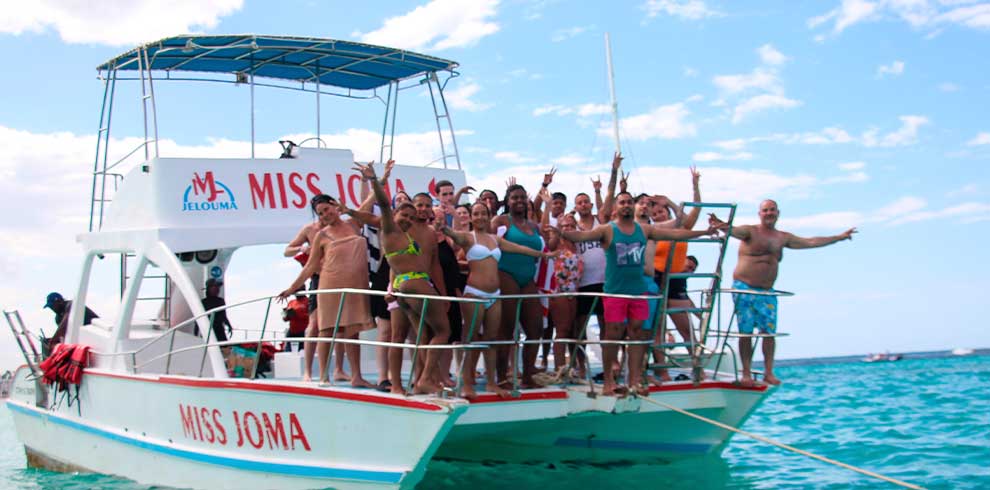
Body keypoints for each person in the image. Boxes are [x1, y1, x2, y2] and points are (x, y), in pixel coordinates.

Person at [562, 191, 721, 396]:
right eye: (623, 202)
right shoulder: (607, 230)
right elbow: (582, 235)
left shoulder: (644, 230)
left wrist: (704, 232)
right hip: (615, 292)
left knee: (638, 335)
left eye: (629, 202)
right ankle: (610, 381)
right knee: (613, 335)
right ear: (617, 208)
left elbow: (675, 234)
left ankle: (635, 379)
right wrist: (561, 231)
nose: (626, 205)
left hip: (638, 292)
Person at [712, 199, 856, 386]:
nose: (769, 213)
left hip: (767, 291)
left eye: (772, 210)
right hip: (744, 287)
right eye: (765, 210)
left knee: (769, 333)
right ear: (759, 213)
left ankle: (769, 372)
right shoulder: (750, 231)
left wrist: (839, 237)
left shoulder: (782, 237)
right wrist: (721, 224)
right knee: (746, 332)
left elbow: (810, 241)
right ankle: (746, 373)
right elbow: (734, 231)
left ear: (778, 213)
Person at [439, 202, 555, 398]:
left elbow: (519, 248)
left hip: (495, 295)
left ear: (488, 215)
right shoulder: (468, 238)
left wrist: (543, 255)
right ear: (472, 217)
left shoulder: (495, 239)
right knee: (471, 339)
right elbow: (455, 235)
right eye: (476, 214)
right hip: (474, 293)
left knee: (492, 340)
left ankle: (492, 382)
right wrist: (444, 228)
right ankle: (467, 383)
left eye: (483, 213)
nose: (480, 217)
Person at [357, 161, 451, 395]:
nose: (422, 209)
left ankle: (421, 379)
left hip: (421, 284)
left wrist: (443, 293)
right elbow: (392, 257)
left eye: (427, 205)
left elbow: (433, 265)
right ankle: (396, 384)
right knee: (397, 335)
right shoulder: (398, 226)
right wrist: (374, 180)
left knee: (421, 335)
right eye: (418, 205)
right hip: (398, 284)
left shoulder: (430, 234)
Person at [278, 194, 375, 387]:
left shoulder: (354, 223)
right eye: (320, 213)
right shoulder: (321, 235)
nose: (324, 215)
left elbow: (368, 202)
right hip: (330, 284)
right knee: (327, 330)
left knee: (353, 330)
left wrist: (376, 180)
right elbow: (310, 266)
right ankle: (323, 376)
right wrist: (292, 288)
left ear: (335, 206)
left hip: (356, 286)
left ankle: (357, 376)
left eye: (326, 210)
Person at [201, 278, 232, 342]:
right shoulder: (203, 302)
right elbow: (199, 319)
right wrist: (196, 333)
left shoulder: (220, 301)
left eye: (218, 287)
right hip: (207, 330)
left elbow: (223, 316)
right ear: (209, 288)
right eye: (215, 286)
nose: (218, 289)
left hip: (219, 330)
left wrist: (229, 325)